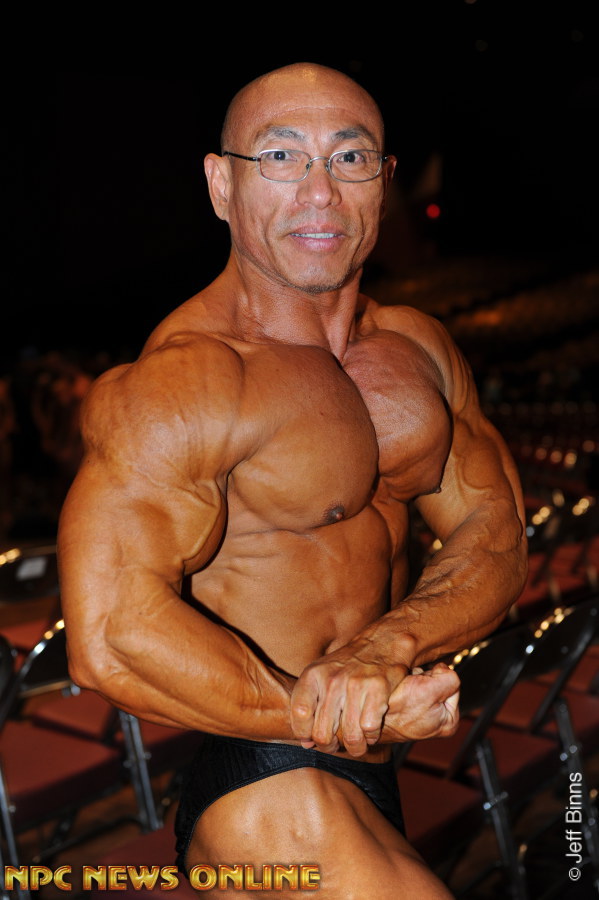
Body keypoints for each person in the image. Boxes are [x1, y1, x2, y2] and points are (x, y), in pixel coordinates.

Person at [58, 63, 527, 898]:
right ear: (220, 186)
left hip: (370, 764)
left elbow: (493, 529)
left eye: (350, 158)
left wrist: (387, 647)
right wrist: (333, 715)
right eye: (279, 157)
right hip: (262, 775)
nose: (320, 191)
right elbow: (110, 635)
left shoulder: (417, 348)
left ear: (383, 180)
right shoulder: (187, 380)